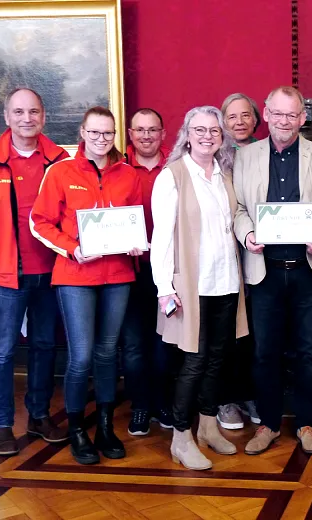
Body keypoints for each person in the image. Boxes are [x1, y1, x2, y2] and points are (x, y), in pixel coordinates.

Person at [233, 86, 312, 456]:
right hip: (264, 271)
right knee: (265, 352)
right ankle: (268, 423)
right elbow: (238, 209)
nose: (285, 121)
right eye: (278, 113)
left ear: (302, 118)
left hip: (309, 270)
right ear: (266, 114)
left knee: (309, 352)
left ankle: (306, 423)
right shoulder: (246, 157)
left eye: (292, 114)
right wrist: (248, 234)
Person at [31, 106, 144, 465]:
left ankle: (106, 427)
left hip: (118, 275)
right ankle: (78, 429)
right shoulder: (60, 171)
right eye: (94, 132)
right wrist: (72, 248)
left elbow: (136, 220)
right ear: (82, 132)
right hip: (75, 275)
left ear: (115, 135)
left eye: (107, 133)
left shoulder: (128, 174)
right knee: (80, 356)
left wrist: (136, 243)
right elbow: (39, 222)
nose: (101, 139)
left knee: (108, 353)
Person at [150, 105, 248, 471]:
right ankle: (181, 437)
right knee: (194, 360)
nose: (207, 136)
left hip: (226, 281)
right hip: (192, 286)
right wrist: (164, 287)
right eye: (200, 130)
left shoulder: (225, 175)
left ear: (222, 137)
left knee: (218, 358)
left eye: (214, 130)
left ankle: (208, 425)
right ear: (187, 136)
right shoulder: (172, 176)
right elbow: (162, 237)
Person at [0, 88, 69, 456]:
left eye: (33, 111)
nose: (26, 118)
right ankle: (2, 424)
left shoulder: (61, 161)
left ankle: (39, 415)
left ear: (43, 117)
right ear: (6, 117)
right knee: (2, 351)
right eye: (18, 112)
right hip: (5, 275)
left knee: (44, 346)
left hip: (52, 273)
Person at [121, 108, 174, 435]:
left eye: (152, 130)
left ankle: (163, 402)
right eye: (139, 130)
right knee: (133, 344)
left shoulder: (177, 166)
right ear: (130, 134)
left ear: (163, 133)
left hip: (169, 270)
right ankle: (140, 405)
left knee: (165, 342)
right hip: (130, 270)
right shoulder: (117, 167)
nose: (146, 136)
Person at [217, 92, 261, 429]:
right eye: (232, 116)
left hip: (261, 253)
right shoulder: (214, 155)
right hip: (224, 253)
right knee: (227, 329)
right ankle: (225, 398)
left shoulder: (267, 151)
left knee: (255, 331)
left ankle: (249, 392)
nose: (239, 122)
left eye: (245, 115)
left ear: (256, 119)